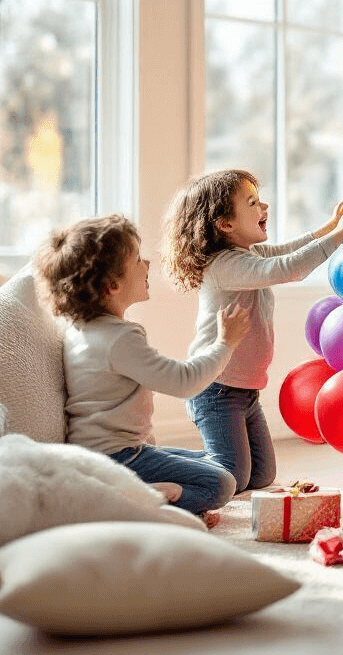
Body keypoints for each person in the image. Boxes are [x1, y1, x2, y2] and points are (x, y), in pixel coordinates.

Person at [163, 168, 343, 492]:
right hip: (216, 389)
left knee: (260, 477)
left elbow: (286, 251)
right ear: (226, 224)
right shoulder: (224, 265)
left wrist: (325, 230)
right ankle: (157, 463)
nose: (265, 207)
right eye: (253, 202)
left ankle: (199, 460)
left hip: (244, 390)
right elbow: (290, 268)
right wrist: (338, 237)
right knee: (233, 477)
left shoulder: (248, 252)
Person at [36, 214, 245, 522]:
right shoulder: (119, 338)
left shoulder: (80, 329)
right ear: (111, 285)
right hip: (121, 458)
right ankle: (151, 502)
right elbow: (184, 381)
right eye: (136, 258)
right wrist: (225, 343)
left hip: (104, 456)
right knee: (222, 483)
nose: (146, 263)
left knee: (213, 463)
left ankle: (147, 493)